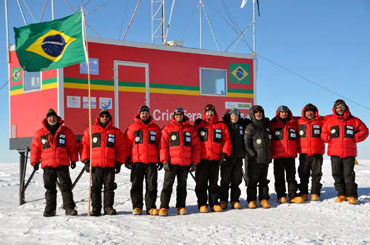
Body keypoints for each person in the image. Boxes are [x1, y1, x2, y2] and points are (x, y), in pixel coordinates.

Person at [30, 108, 78, 217]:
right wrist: (34, 161)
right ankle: (50, 210)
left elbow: (72, 146)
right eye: (50, 117)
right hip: (48, 165)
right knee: (50, 188)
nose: (52, 118)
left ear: (57, 118)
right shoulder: (40, 133)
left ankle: (69, 208)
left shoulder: (66, 131)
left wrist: (74, 159)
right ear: (46, 119)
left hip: (62, 164)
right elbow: (35, 148)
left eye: (54, 117)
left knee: (66, 187)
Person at [321, 99, 368, 204]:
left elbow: (365, 131)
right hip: (334, 152)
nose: (340, 109)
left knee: (348, 174)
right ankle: (341, 193)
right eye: (337, 107)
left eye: (341, 107)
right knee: (336, 174)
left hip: (349, 153)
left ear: (345, 107)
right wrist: (328, 137)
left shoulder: (354, 120)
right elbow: (323, 133)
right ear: (335, 109)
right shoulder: (330, 121)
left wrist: (355, 137)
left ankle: (351, 195)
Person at [81, 109, 126, 216]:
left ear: (109, 118)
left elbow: (121, 148)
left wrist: (119, 162)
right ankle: (96, 208)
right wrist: (86, 161)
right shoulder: (91, 131)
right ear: (99, 118)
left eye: (106, 116)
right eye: (103, 116)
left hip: (110, 165)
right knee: (95, 187)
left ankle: (108, 207)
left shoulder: (116, 132)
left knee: (109, 187)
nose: (104, 118)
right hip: (96, 165)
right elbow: (85, 146)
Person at [158, 107, 201, 216]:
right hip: (171, 163)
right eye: (177, 115)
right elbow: (163, 146)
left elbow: (196, 147)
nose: (179, 116)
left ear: (183, 116)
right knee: (167, 186)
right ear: (174, 116)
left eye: (180, 115)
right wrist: (164, 160)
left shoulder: (190, 129)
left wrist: (194, 162)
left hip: (185, 163)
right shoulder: (168, 128)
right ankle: (164, 207)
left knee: (182, 186)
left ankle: (181, 206)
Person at [194, 104, 231, 213]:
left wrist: (224, 153)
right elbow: (193, 140)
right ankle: (202, 203)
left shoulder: (221, 126)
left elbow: (227, 140)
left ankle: (214, 203)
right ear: (204, 113)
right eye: (208, 112)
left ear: (214, 113)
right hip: (202, 159)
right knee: (201, 183)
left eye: (211, 112)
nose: (210, 113)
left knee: (214, 183)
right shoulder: (200, 125)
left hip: (215, 159)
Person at [125, 105, 162, 215]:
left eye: (146, 112)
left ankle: (151, 207)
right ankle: (137, 207)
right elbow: (127, 144)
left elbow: (160, 145)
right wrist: (127, 158)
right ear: (139, 114)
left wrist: (160, 158)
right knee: (136, 185)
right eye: (142, 113)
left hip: (151, 161)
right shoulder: (132, 128)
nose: (144, 114)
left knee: (152, 185)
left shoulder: (155, 128)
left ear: (149, 114)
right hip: (137, 162)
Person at [270, 105, 303, 204]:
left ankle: (292, 195)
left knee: (291, 177)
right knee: (279, 177)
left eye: (285, 112)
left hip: (290, 155)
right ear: (278, 113)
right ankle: (281, 195)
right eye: (282, 112)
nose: (284, 114)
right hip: (278, 155)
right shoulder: (273, 124)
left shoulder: (293, 124)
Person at [219, 108, 249, 209]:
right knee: (225, 180)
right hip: (227, 157)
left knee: (236, 180)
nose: (234, 117)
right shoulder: (224, 125)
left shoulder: (242, 126)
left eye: (236, 115)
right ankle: (223, 200)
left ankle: (234, 200)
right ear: (229, 116)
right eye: (232, 115)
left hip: (238, 157)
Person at [244, 105, 272, 209]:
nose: (259, 114)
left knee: (263, 180)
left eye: (260, 112)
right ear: (252, 114)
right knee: (252, 180)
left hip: (265, 159)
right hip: (254, 160)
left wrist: (269, 154)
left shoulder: (266, 127)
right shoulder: (250, 127)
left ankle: (264, 199)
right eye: (256, 113)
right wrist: (253, 155)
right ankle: (251, 200)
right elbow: (247, 144)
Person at [296, 103, 325, 202]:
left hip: (317, 152)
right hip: (304, 153)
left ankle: (315, 193)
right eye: (307, 111)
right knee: (303, 173)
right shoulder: (298, 121)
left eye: (312, 111)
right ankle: (303, 192)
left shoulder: (321, 121)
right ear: (304, 112)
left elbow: (332, 118)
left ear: (315, 112)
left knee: (316, 173)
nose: (310, 113)